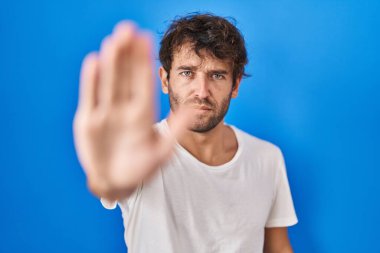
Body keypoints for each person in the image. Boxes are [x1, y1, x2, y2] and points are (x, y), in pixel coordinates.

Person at [73, 13, 298, 253]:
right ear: (165, 80)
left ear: (235, 85)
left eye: (217, 75)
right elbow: (108, 185)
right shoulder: (138, 153)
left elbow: (278, 248)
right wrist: (106, 178)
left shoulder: (267, 158)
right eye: (187, 73)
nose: (201, 91)